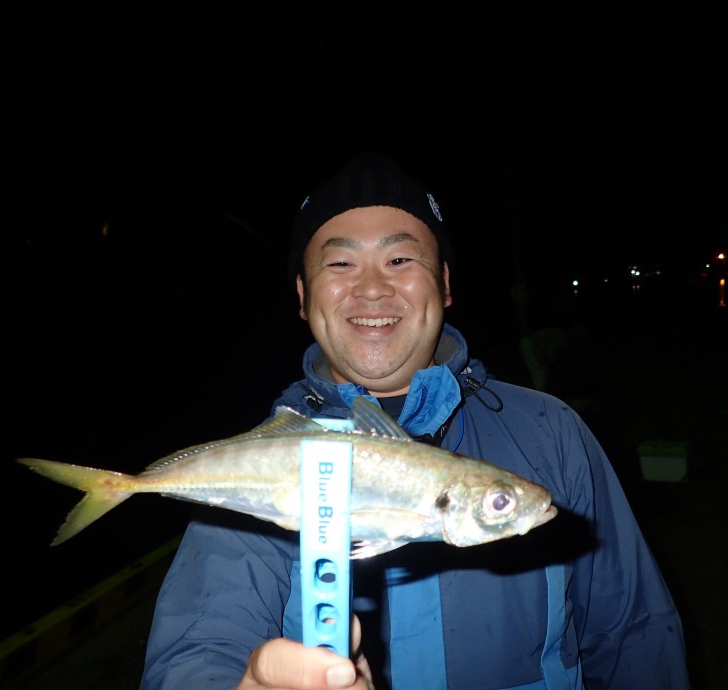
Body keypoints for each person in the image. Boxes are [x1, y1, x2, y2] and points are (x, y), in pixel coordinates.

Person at [140, 152, 691, 689]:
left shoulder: (552, 430)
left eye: (400, 260)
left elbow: (635, 632)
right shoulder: (262, 460)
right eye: (340, 263)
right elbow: (197, 649)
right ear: (304, 297)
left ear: (445, 284)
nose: (372, 287)